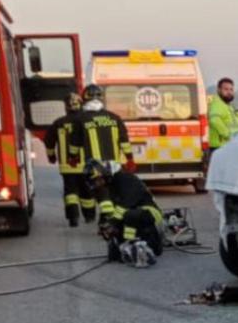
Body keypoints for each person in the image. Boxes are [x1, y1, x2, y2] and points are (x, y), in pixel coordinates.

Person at [83, 159, 164, 266]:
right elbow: (119, 211)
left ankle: (144, 245)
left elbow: (126, 205)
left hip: (150, 212)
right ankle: (127, 247)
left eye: (97, 180)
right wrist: (108, 228)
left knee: (130, 215)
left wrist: (112, 223)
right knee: (120, 225)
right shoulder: (112, 186)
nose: (97, 184)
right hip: (134, 214)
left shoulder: (125, 178)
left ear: (104, 174)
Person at [44, 92, 89, 227]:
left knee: (70, 192)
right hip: (87, 164)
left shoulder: (59, 123)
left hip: (67, 165)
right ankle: (89, 216)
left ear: (66, 107)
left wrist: (52, 156)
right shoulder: (87, 121)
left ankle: (73, 217)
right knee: (86, 191)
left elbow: (49, 141)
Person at [207, 77, 238, 149]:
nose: (229, 92)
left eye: (231, 89)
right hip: (219, 146)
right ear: (219, 90)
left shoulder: (227, 106)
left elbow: (237, 123)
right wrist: (229, 135)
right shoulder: (217, 104)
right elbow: (214, 120)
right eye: (226, 89)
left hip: (226, 145)